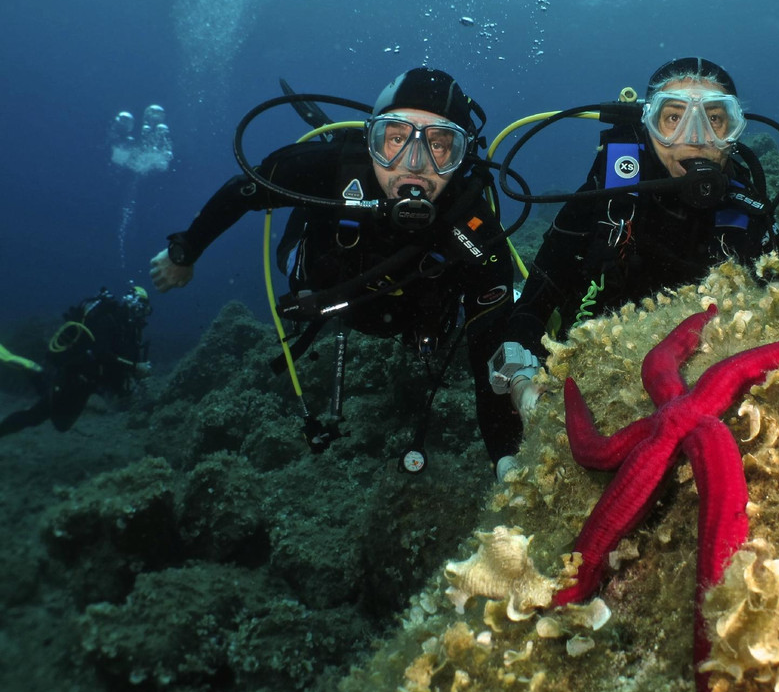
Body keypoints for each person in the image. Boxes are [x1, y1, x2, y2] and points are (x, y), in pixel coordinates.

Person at [148, 68, 521, 473]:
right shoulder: (335, 168)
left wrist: (506, 460)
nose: (414, 165)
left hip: (414, 319)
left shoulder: (475, 226)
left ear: (463, 155)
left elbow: (490, 350)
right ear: (371, 140)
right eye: (395, 139)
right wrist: (184, 252)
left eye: (439, 144)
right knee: (297, 260)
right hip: (322, 281)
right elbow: (244, 190)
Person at [492, 57, 779, 416]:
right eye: (674, 118)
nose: (694, 138)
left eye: (715, 118)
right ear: (648, 124)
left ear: (734, 130)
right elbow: (533, 307)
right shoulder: (605, 197)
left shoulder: (749, 210)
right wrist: (523, 382)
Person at [0, 286, 152, 438]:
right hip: (76, 376)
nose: (141, 313)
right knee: (37, 415)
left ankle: (39, 375)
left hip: (89, 384)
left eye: (145, 310)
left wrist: (133, 373)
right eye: (140, 307)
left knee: (61, 425)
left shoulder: (129, 331)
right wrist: (135, 367)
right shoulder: (109, 321)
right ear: (131, 303)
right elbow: (102, 354)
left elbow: (120, 363)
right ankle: (34, 370)